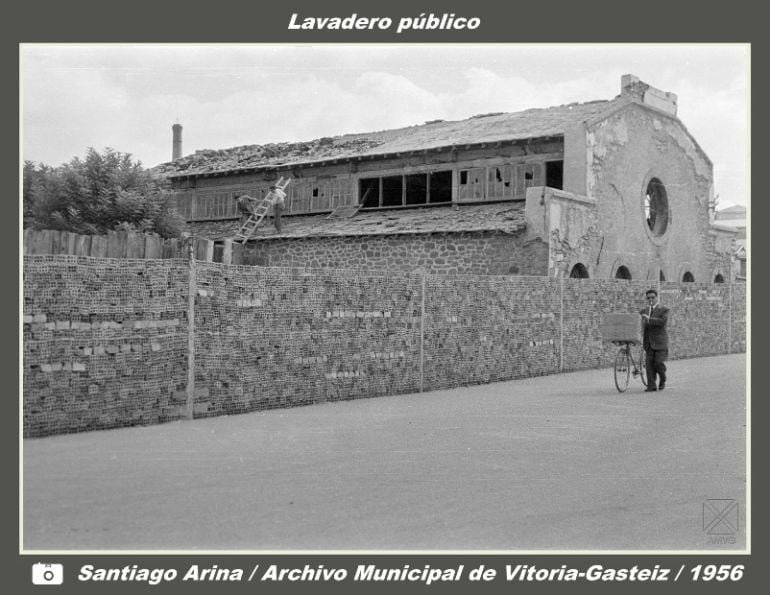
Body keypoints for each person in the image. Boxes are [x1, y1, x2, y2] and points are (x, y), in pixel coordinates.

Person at [640, 288, 669, 392]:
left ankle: (663, 378)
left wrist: (649, 319)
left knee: (658, 363)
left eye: (652, 297)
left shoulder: (664, 310)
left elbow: (662, 322)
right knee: (649, 365)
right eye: (648, 298)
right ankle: (651, 385)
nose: (650, 299)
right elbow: (638, 323)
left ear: (657, 298)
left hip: (660, 343)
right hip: (648, 343)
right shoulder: (643, 311)